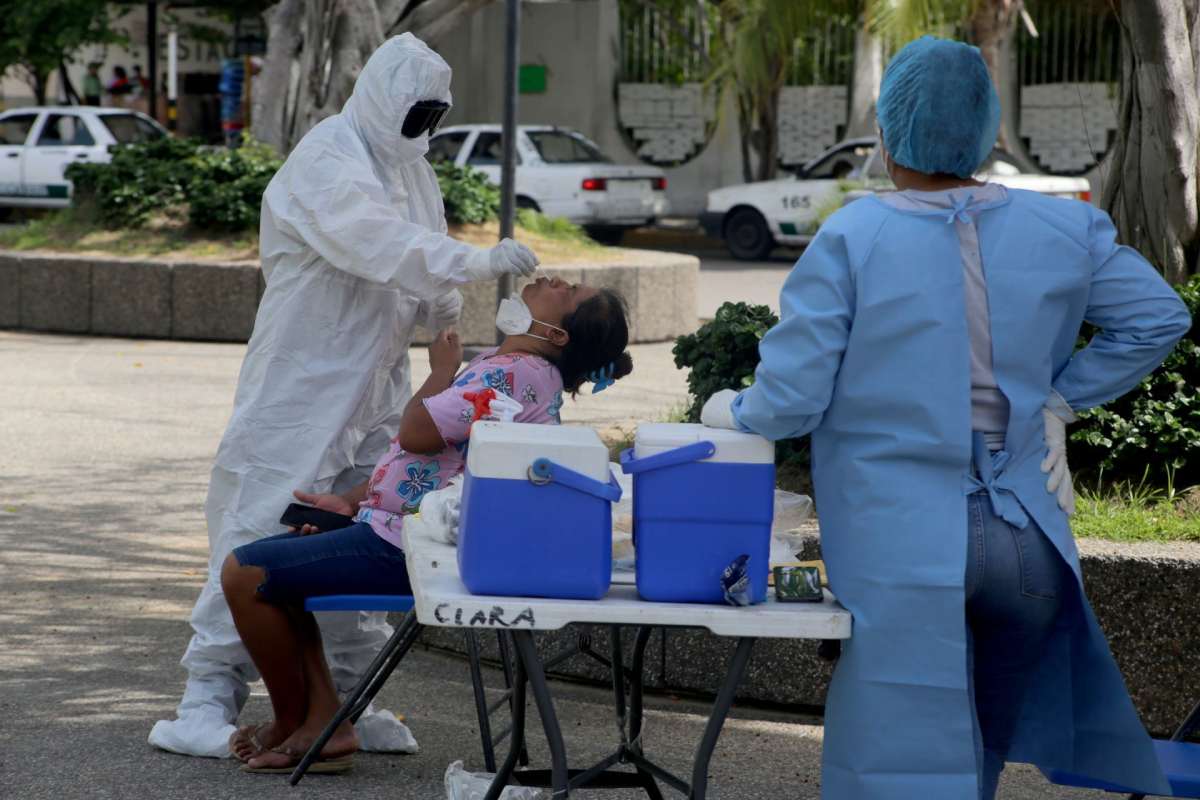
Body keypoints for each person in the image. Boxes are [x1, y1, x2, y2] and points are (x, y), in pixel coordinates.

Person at [702, 36, 1190, 800]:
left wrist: (730, 408)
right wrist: (1060, 400)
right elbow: (1160, 317)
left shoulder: (853, 236)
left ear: (887, 133)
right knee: (980, 758)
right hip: (1028, 533)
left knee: (899, 765)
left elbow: (789, 401)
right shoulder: (1066, 228)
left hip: (900, 540)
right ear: (986, 129)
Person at [148, 33, 540, 759]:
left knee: (370, 527)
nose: (423, 128)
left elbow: (423, 256)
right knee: (256, 524)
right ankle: (204, 699)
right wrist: (475, 260)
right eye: (416, 113)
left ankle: (350, 705)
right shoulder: (327, 155)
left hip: (377, 382)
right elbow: (375, 240)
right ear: (385, 98)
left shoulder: (412, 169)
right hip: (300, 382)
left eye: (435, 116)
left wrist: (447, 317)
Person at [221, 278, 634, 772]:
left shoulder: (513, 372)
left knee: (244, 574)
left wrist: (440, 373)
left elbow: (416, 434)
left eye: (568, 292)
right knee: (282, 577)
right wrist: (349, 502)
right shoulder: (523, 371)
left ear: (557, 334)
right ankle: (322, 722)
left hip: (408, 548)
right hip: (405, 533)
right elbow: (434, 461)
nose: (553, 280)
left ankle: (294, 724)